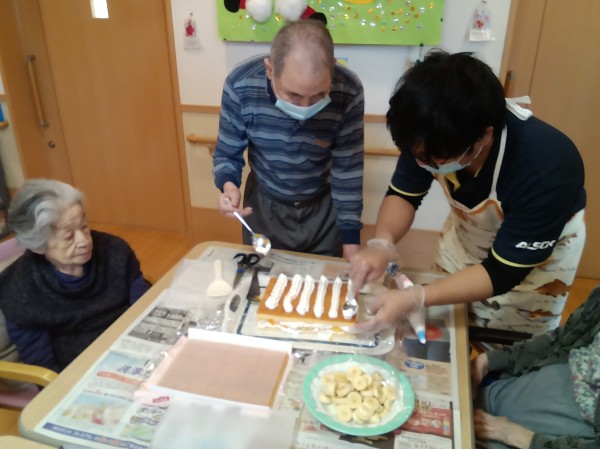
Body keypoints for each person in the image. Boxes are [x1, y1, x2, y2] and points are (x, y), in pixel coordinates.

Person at [350, 50, 586, 335]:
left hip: (529, 272)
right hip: (464, 243)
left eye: (436, 159)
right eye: (418, 157)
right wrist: (382, 243)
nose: (424, 164)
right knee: (446, 331)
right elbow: (404, 194)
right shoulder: (427, 134)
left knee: (505, 347)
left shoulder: (546, 168)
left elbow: (503, 272)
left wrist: (417, 296)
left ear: (484, 136)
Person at [213, 20, 364, 260]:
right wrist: (229, 186)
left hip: (323, 211)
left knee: (323, 280)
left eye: (319, 95)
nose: (305, 108)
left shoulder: (348, 90)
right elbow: (227, 153)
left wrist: (351, 240)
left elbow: (348, 170)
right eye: (293, 96)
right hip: (264, 206)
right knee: (264, 278)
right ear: (270, 69)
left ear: (332, 68)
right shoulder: (241, 84)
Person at [0, 179, 150, 372]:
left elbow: (144, 309)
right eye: (69, 236)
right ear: (38, 245)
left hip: (136, 345)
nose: (84, 241)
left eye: (84, 226)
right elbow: (42, 364)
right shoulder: (19, 290)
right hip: (80, 368)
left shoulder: (115, 250)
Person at [471, 285, 600, 449]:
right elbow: (559, 341)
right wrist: (489, 360)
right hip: (501, 395)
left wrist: (512, 434)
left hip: (522, 438)